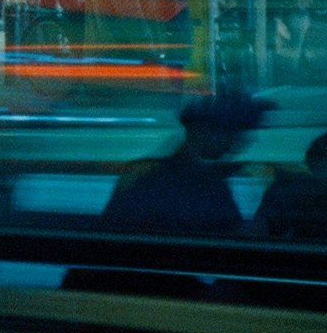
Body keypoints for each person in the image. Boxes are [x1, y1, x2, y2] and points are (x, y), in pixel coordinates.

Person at [100, 90, 270, 236]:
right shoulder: (197, 185)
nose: (241, 140)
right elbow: (224, 237)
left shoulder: (148, 172)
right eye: (232, 132)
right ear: (202, 132)